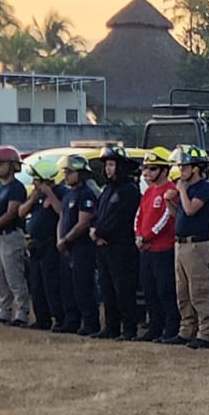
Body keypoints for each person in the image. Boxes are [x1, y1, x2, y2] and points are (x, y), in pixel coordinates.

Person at [93, 146, 142, 341]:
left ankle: (129, 329)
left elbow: (121, 218)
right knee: (107, 288)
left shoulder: (129, 190)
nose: (108, 169)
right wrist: (95, 232)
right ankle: (111, 327)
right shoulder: (107, 190)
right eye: (106, 165)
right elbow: (98, 215)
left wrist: (100, 232)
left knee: (123, 289)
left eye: (112, 165)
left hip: (121, 247)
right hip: (104, 247)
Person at [173, 146, 209, 349]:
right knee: (183, 291)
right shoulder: (188, 189)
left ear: (196, 168)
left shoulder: (203, 188)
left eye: (185, 166)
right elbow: (180, 215)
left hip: (197, 246)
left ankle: (206, 332)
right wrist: (170, 202)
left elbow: (191, 210)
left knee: (200, 290)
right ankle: (187, 329)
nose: (181, 170)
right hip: (181, 244)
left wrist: (181, 191)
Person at [134, 147, 181, 343]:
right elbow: (139, 215)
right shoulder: (149, 191)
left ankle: (170, 328)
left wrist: (146, 237)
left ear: (164, 170)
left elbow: (166, 219)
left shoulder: (171, 191)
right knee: (149, 290)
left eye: (152, 168)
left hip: (163, 249)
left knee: (165, 290)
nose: (147, 172)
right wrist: (138, 235)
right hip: (147, 249)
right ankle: (154, 327)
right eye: (146, 168)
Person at [0, 146, 31, 326]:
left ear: (12, 165)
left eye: (1, 164)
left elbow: (11, 213)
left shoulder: (17, 188)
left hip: (9, 236)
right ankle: (4, 309)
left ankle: (22, 312)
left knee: (14, 276)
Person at [21, 158, 67, 331]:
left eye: (37, 180)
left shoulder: (61, 192)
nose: (34, 183)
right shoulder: (36, 195)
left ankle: (59, 318)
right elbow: (21, 212)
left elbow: (62, 211)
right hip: (36, 245)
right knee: (36, 284)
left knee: (52, 284)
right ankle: (42, 318)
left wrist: (50, 194)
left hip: (51, 245)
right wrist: (33, 199)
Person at [57, 154, 101, 337]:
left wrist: (66, 240)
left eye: (70, 172)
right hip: (67, 247)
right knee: (69, 286)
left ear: (80, 173)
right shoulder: (68, 194)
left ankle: (90, 322)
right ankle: (72, 320)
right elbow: (62, 217)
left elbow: (83, 222)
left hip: (82, 247)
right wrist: (60, 239)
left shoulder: (86, 194)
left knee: (83, 286)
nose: (66, 175)